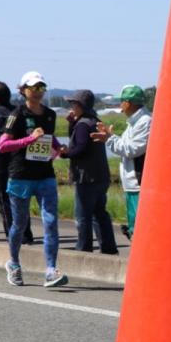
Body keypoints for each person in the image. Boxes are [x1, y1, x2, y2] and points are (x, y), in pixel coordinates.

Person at [0, 71, 68, 288]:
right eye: (33, 88)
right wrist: (29, 139)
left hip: (45, 175)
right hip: (21, 176)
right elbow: (2, 146)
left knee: (51, 222)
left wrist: (58, 147)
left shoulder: (50, 114)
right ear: (23, 90)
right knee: (19, 224)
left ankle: (50, 270)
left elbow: (48, 137)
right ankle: (14, 263)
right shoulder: (16, 114)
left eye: (41, 87)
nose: (38, 92)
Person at [59, 89, 118, 254]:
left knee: (83, 215)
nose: (71, 107)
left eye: (73, 104)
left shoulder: (83, 124)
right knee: (99, 213)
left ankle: (83, 248)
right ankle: (108, 248)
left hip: (86, 177)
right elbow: (80, 141)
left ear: (80, 106)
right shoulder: (94, 121)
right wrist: (71, 124)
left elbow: (79, 148)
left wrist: (65, 153)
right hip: (101, 175)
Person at [92, 85, 151, 240]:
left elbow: (132, 150)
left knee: (141, 229)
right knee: (135, 228)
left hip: (138, 183)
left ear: (128, 103)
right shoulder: (134, 122)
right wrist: (111, 137)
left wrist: (109, 138)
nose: (120, 105)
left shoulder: (145, 122)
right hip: (132, 183)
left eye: (121, 101)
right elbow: (127, 146)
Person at [0, 81, 33, 244]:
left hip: (0, 162)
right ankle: (26, 234)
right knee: (20, 201)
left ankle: (13, 237)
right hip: (19, 162)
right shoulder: (16, 111)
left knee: (4, 202)